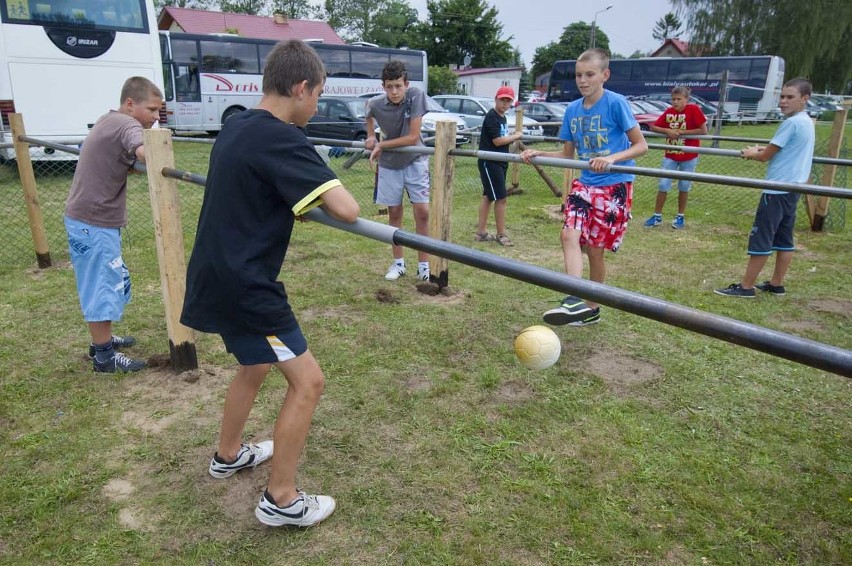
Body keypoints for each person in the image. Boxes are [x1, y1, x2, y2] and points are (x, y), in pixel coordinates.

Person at [180, 40, 360, 528]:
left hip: (213, 273)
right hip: (246, 284)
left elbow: (259, 190)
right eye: (318, 95)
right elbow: (348, 208)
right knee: (309, 381)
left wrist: (295, 200)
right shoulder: (282, 138)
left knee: (256, 363)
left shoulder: (237, 125)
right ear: (300, 87)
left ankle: (229, 453)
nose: (317, 106)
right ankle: (281, 499)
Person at [521, 48, 647, 326]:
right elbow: (568, 155)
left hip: (614, 186)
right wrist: (537, 154)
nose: (583, 80)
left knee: (594, 249)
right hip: (585, 183)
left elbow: (641, 145)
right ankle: (574, 297)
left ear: (605, 75)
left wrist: (611, 158)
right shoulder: (572, 110)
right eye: (579, 75)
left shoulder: (616, 103)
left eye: (589, 74)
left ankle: (592, 307)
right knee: (568, 235)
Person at [64, 76, 162, 373]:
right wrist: (157, 150)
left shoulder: (108, 120)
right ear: (130, 104)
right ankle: (104, 357)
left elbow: (120, 157)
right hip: (94, 221)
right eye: (152, 110)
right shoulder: (127, 124)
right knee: (102, 284)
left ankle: (100, 341)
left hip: (84, 218)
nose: (156, 118)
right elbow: (144, 149)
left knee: (105, 279)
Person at [715, 77, 815, 298]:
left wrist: (753, 153)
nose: (783, 101)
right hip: (793, 188)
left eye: (790, 97)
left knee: (762, 238)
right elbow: (779, 149)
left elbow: (765, 156)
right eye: (781, 96)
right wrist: (762, 149)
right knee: (784, 239)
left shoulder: (791, 122)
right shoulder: (806, 121)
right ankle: (776, 283)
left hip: (777, 189)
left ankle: (746, 287)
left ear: (804, 99)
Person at [365, 60, 431, 281]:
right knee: (394, 213)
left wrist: (381, 145)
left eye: (398, 86)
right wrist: (371, 135)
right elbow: (369, 113)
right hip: (390, 165)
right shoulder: (376, 103)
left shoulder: (415, 96)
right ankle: (398, 263)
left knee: (422, 212)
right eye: (389, 86)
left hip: (415, 160)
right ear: (383, 86)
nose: (394, 91)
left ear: (406, 84)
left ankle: (424, 265)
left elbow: (413, 137)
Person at [643, 86, 708, 229]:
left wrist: (682, 132)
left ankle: (680, 217)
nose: (676, 102)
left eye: (679, 99)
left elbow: (703, 130)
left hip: (689, 156)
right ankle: (657, 216)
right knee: (663, 184)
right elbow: (655, 127)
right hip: (671, 155)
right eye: (673, 99)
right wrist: (667, 130)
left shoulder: (694, 110)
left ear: (686, 99)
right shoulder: (669, 112)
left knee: (684, 186)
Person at [474, 85, 523, 246]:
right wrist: (515, 136)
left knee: (488, 196)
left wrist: (511, 136)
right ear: (496, 99)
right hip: (490, 162)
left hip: (500, 161)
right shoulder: (492, 117)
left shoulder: (501, 117)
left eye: (508, 101)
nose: (505, 104)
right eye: (502, 100)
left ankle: (481, 232)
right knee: (501, 198)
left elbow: (501, 137)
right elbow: (497, 141)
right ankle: (501, 234)